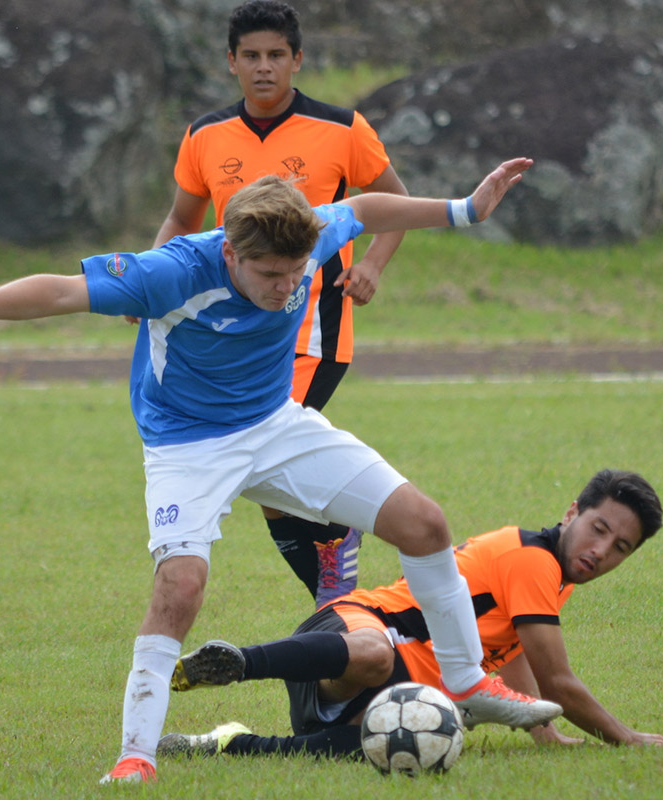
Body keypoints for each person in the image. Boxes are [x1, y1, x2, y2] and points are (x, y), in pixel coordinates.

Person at [0, 157, 558, 786]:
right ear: (230, 253)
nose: (285, 287)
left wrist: (465, 210)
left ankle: (468, 681)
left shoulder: (306, 231)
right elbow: (62, 290)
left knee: (423, 524)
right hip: (186, 445)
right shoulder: (170, 272)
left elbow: (362, 209)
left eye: (295, 272)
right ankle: (136, 756)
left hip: (276, 426)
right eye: (269, 273)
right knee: (181, 588)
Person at [153, 0, 411, 607]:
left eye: (276, 55)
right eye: (251, 56)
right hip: (233, 339)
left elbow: (394, 202)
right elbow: (181, 219)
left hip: (312, 335)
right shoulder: (204, 136)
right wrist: (154, 284)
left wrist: (371, 264)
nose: (263, 67)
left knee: (259, 456)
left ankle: (340, 595)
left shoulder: (342, 129)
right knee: (265, 470)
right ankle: (342, 594)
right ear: (232, 63)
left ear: (297, 60)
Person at [158, 469, 663, 760]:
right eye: (599, 529)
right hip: (352, 629)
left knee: (389, 748)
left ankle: (227, 744)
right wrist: (624, 738)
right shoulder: (533, 560)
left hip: (367, 692)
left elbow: (512, 656)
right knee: (375, 654)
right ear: (570, 514)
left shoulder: (551, 577)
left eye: (621, 547)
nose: (602, 551)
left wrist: (544, 732)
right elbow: (557, 681)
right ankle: (237, 663)